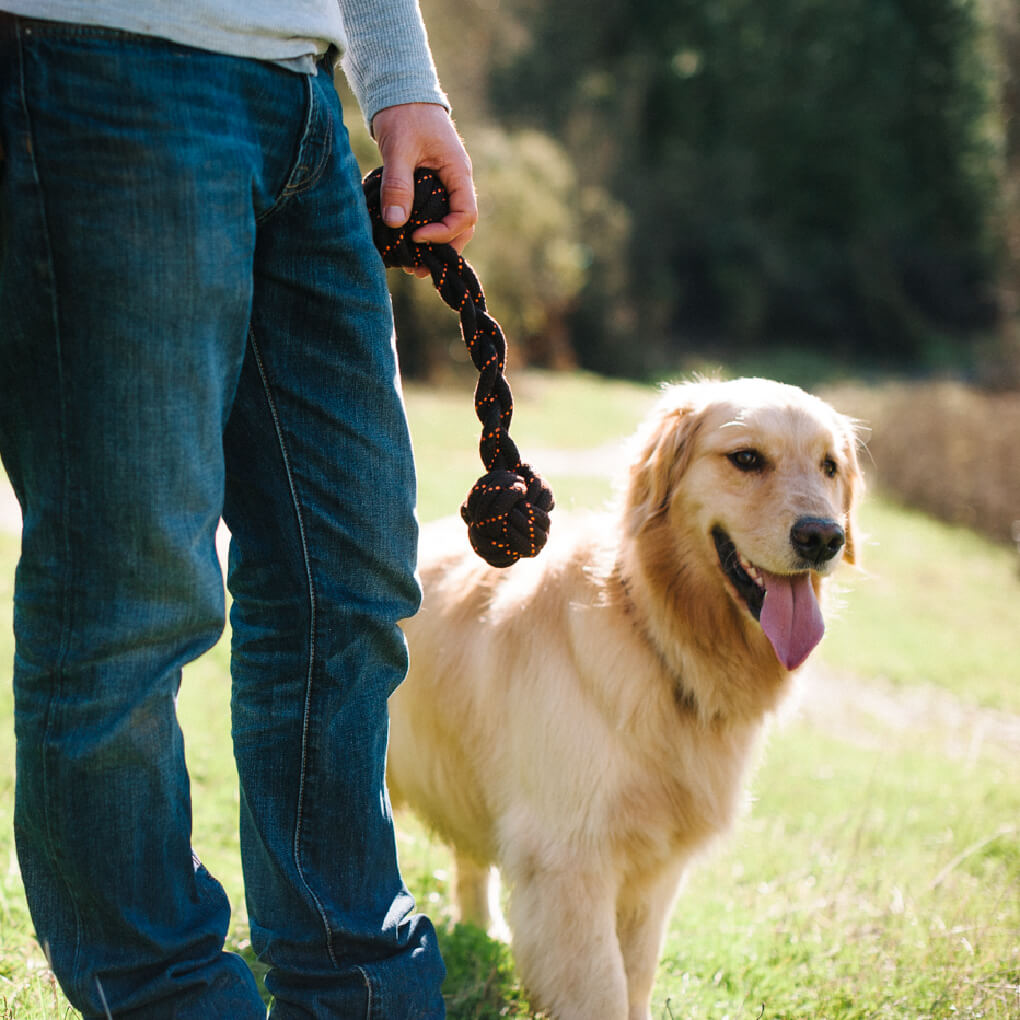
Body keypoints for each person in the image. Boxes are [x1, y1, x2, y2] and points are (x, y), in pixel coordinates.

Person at [0, 2, 476, 1017]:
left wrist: (400, 85)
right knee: (129, 595)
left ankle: (358, 983)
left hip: (299, 91)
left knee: (349, 572)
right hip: (95, 57)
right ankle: (167, 997)